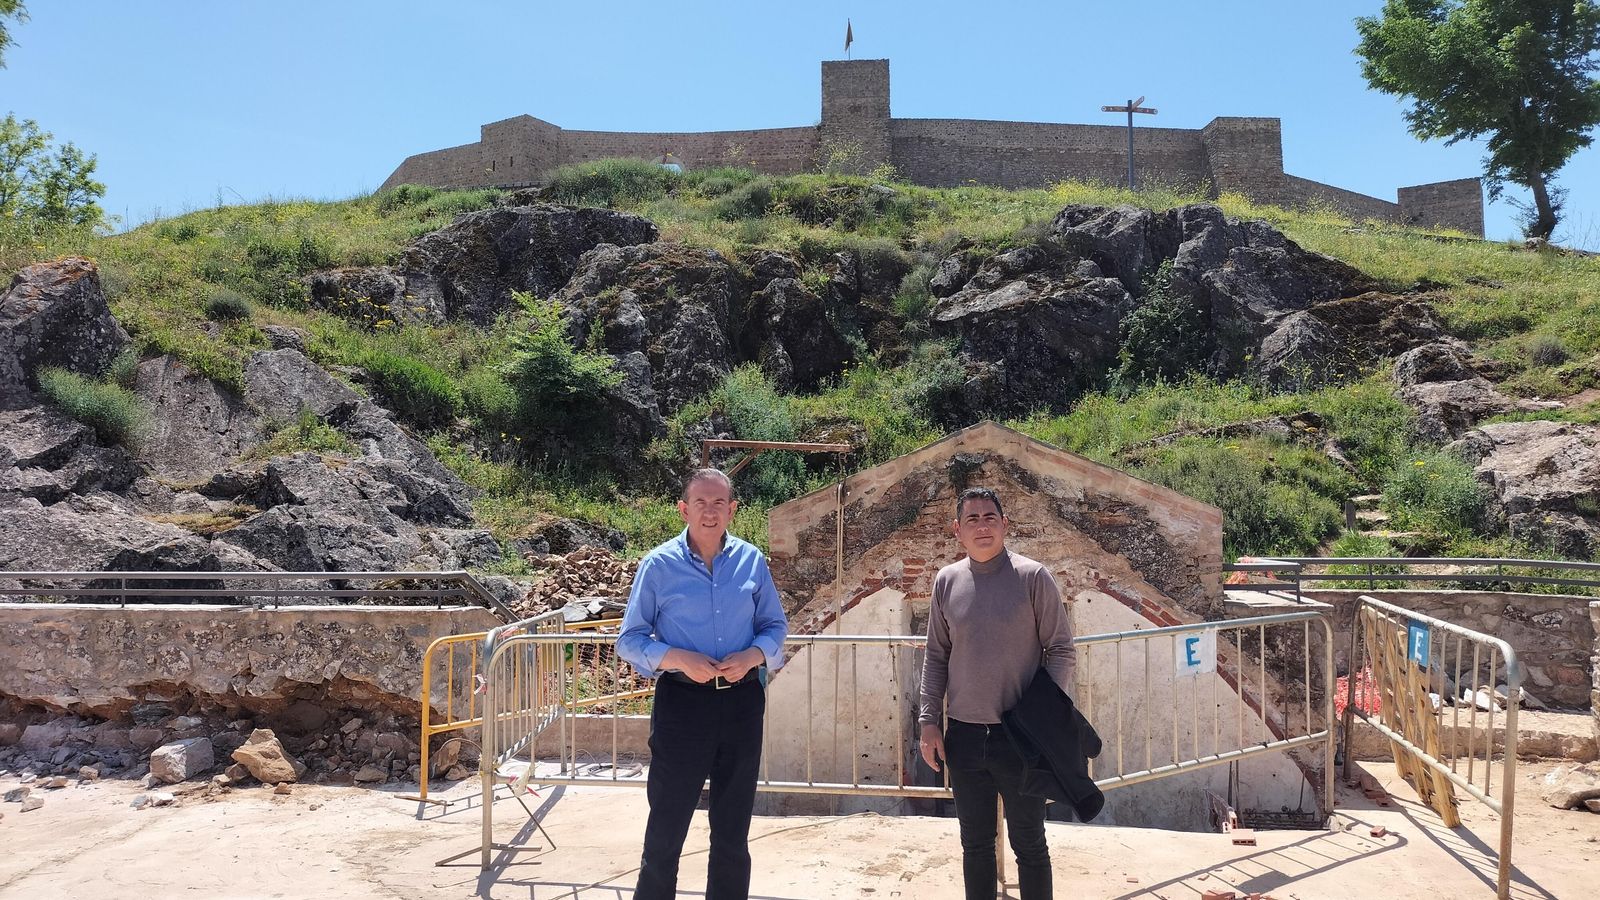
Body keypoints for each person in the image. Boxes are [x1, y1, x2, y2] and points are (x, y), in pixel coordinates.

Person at [617, 467, 788, 900]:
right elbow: (629, 640)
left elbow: (774, 626)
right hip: (682, 705)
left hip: (742, 703)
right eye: (700, 503)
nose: (710, 512)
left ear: (732, 509)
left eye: (718, 503)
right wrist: (678, 658)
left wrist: (753, 656)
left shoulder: (752, 561)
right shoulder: (658, 566)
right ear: (683, 509)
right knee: (667, 826)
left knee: (733, 829)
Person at [919, 487, 1077, 900]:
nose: (982, 526)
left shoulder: (1033, 577)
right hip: (965, 736)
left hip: (1021, 738)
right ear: (957, 530)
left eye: (990, 517)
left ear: (1005, 524)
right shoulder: (946, 581)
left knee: (1030, 843)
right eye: (972, 519)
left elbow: (1061, 649)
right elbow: (936, 656)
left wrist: (1043, 715)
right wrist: (928, 721)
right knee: (975, 845)